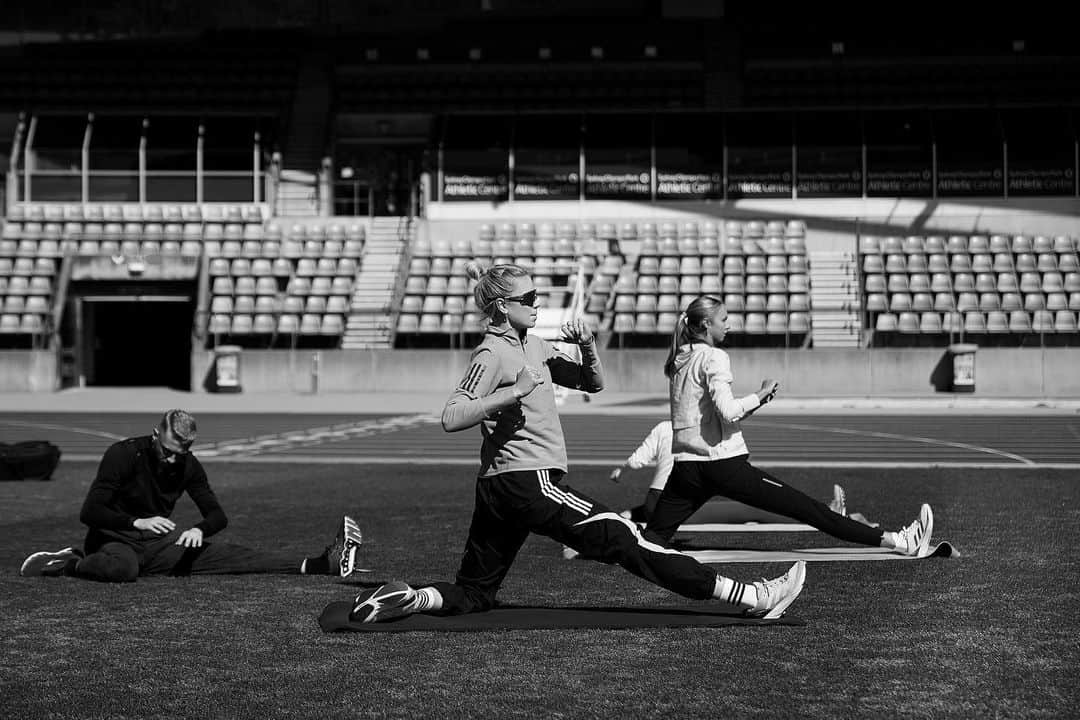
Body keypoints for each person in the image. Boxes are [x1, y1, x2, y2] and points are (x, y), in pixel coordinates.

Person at [349, 263, 806, 624]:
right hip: (527, 482)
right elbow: (451, 416)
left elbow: (593, 383)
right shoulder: (492, 352)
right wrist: (513, 391)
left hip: (500, 490)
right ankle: (751, 596)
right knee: (629, 540)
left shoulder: (536, 346)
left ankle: (412, 597)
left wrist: (587, 347)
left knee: (475, 592)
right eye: (528, 299)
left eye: (536, 296)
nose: (537, 304)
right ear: (503, 307)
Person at [645, 295, 934, 556]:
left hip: (686, 467)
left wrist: (759, 400)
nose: (729, 326)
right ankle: (899, 541)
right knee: (807, 509)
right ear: (707, 324)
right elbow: (729, 412)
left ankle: (605, 543)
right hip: (721, 465)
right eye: (724, 320)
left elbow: (710, 415)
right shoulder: (714, 356)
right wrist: (760, 394)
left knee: (650, 542)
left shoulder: (680, 360)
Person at [19, 409, 363, 581]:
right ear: (156, 435)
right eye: (167, 451)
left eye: (180, 453)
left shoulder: (188, 465)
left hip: (158, 546)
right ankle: (70, 563)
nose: (172, 459)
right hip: (113, 540)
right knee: (123, 570)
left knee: (234, 557)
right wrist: (136, 520)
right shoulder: (122, 454)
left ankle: (324, 563)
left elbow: (217, 515)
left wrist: (200, 529)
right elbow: (90, 511)